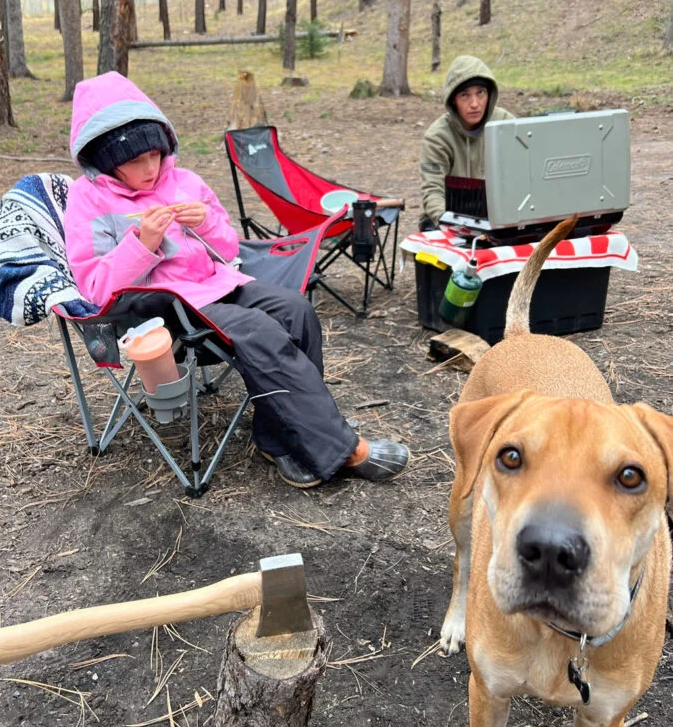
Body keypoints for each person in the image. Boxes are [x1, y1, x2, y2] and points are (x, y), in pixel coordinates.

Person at [64, 72, 410, 489]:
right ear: (104, 159)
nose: (151, 167)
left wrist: (208, 222)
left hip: (219, 284)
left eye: (155, 154)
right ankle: (344, 448)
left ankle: (278, 440)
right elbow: (95, 288)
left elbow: (229, 246)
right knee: (262, 332)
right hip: (162, 309)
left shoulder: (186, 182)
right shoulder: (89, 201)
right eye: (136, 160)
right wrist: (143, 244)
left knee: (296, 311)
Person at [419, 55, 515, 230]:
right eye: (465, 95)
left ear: (490, 94)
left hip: (498, 217)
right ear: (453, 100)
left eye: (481, 93)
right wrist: (449, 222)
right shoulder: (437, 137)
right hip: (450, 218)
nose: (475, 104)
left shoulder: (506, 124)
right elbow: (433, 191)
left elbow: (527, 174)